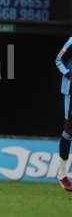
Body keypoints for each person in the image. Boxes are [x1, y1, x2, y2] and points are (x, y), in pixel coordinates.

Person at [55, 38, 72, 191]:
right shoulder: (71, 42)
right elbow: (58, 60)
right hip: (71, 92)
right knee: (69, 130)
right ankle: (61, 174)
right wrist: (68, 74)